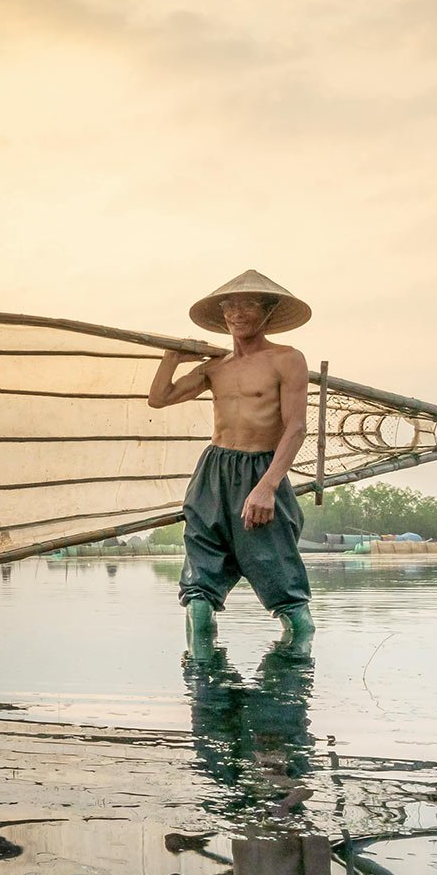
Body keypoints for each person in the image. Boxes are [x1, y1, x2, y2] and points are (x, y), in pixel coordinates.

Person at [147, 270, 316, 654]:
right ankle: (208, 700)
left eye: (248, 304)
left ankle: (290, 692)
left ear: (268, 311)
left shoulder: (286, 360)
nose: (237, 313)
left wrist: (268, 486)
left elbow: (296, 428)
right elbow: (159, 398)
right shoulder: (215, 366)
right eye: (229, 305)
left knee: (291, 603)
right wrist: (171, 357)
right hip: (213, 474)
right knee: (199, 600)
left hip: (261, 470)